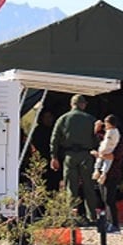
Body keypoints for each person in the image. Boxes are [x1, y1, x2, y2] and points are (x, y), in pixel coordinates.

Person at [50, 94, 100, 224]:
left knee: (71, 187)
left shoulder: (63, 119)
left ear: (71, 104)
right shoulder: (91, 119)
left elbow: (54, 139)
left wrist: (53, 156)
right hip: (86, 156)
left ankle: (72, 217)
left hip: (69, 156)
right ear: (83, 105)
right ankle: (92, 216)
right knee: (89, 186)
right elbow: (97, 138)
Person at [31, 109, 61, 192]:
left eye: (50, 117)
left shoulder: (55, 130)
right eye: (46, 117)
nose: (48, 119)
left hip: (54, 160)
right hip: (42, 160)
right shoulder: (38, 131)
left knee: (55, 184)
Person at [91, 114, 120, 184]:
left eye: (106, 123)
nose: (105, 125)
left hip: (107, 149)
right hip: (109, 148)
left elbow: (107, 141)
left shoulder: (111, 132)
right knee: (105, 163)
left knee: (102, 161)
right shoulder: (112, 131)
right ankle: (100, 172)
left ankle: (99, 172)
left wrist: (101, 151)